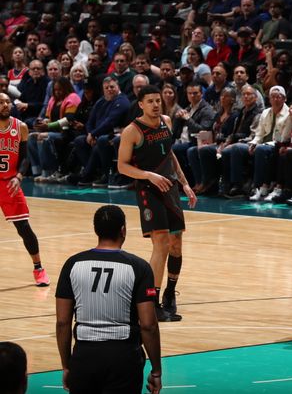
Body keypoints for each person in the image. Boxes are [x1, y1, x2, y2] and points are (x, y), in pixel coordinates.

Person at [55, 205, 162, 394]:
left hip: (84, 356)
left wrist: (66, 365)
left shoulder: (72, 264)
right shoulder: (139, 267)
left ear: (96, 229)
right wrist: (156, 370)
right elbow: (148, 325)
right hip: (123, 357)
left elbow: (63, 322)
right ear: (123, 230)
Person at [117, 86, 198, 322]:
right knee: (161, 244)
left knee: (176, 245)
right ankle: (151, 302)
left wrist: (184, 184)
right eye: (150, 101)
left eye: (158, 100)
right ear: (140, 104)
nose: (155, 104)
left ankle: (170, 294)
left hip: (170, 187)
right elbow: (122, 166)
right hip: (148, 190)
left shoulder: (166, 122)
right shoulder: (131, 131)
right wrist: (148, 175)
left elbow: (170, 155)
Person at [0, 93, 49, 286]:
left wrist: (19, 176)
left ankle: (39, 269)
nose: (5, 105)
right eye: (1, 102)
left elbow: (25, 157)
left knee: (24, 228)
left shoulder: (20, 127)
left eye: (7, 102)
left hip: (9, 183)